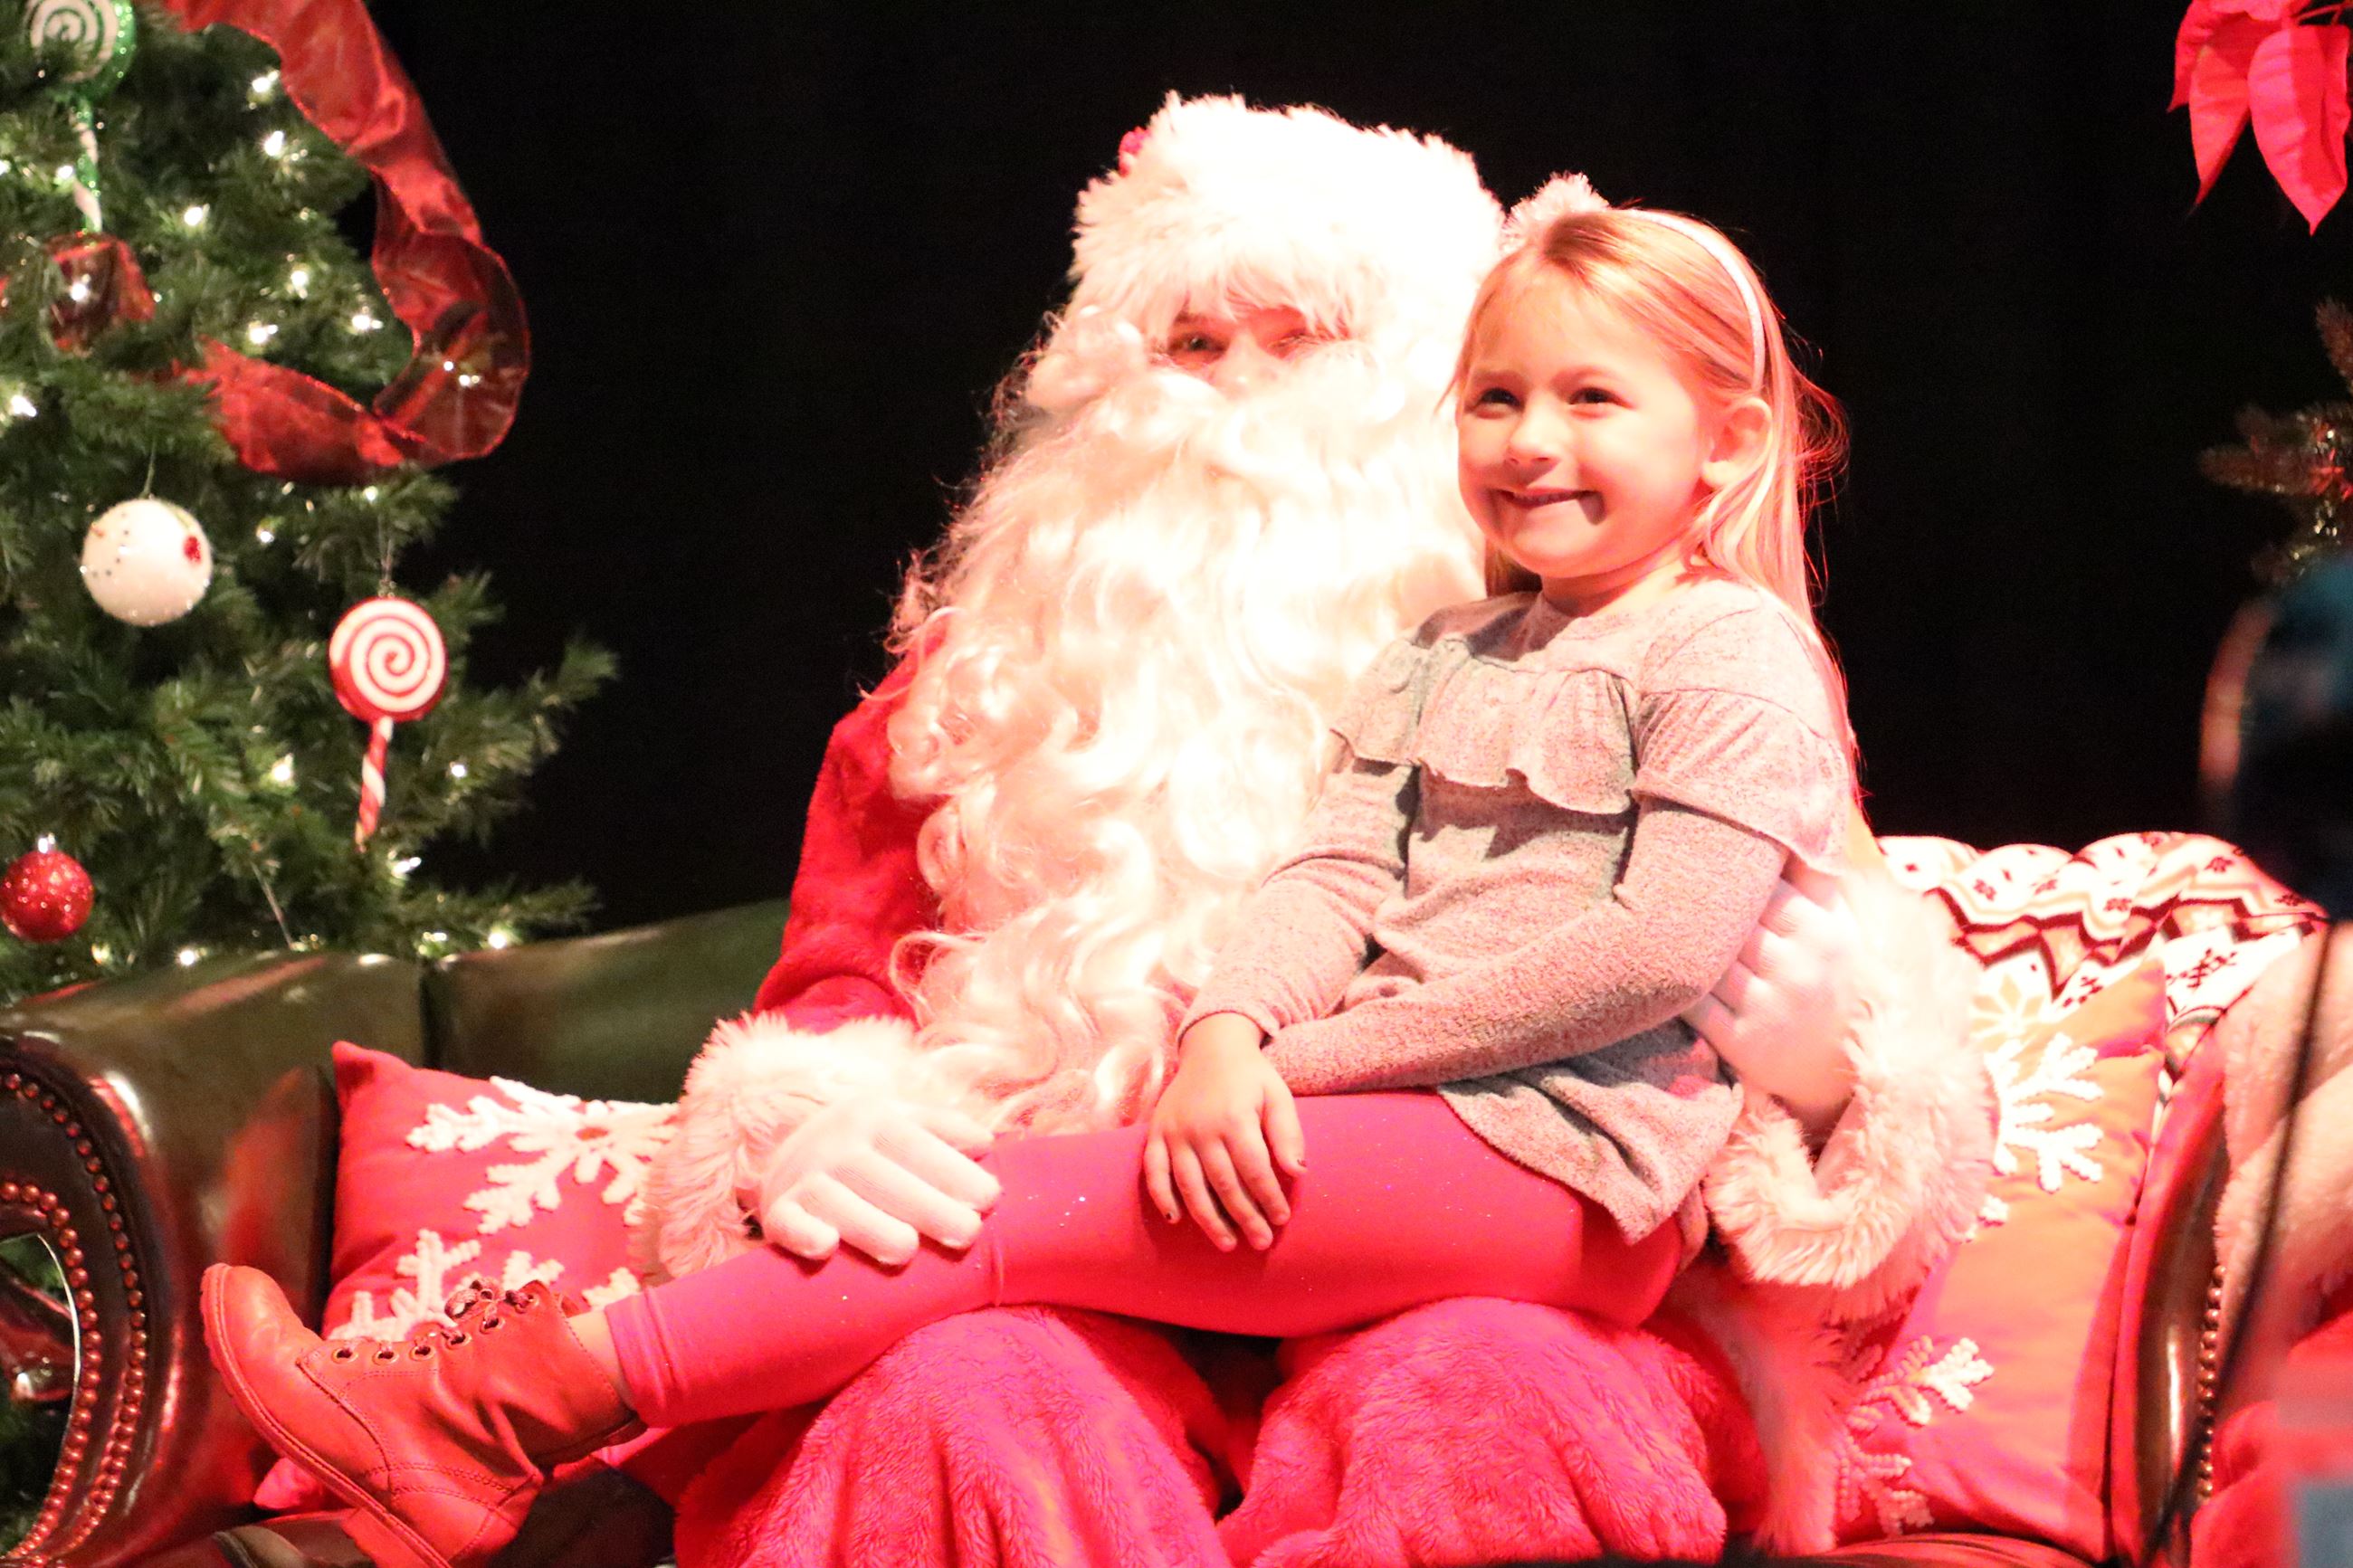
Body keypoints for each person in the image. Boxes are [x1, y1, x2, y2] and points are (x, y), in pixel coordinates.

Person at [196, 140, 1977, 1568]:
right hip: (1096, 1255)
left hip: (1507, 1239)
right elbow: (848, 989)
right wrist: (818, 1118)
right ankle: (470, 1425)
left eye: (1305, 341)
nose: (1228, 398)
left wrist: (1829, 1079)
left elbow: (1721, 978)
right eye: (1190, 345)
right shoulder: (991, 692)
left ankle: (488, 1410)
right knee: (962, 1398)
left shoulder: (1697, 651)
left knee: (1487, 1400)